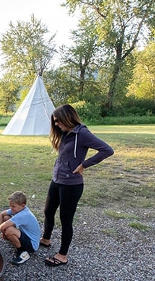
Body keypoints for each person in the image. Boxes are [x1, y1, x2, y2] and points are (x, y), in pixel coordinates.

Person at [42, 104, 114, 267]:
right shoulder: (65, 133)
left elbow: (107, 150)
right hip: (57, 180)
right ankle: (46, 239)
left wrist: (84, 165)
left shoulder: (82, 133)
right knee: (48, 211)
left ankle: (62, 255)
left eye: (58, 121)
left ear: (67, 118)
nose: (57, 124)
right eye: (55, 122)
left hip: (71, 185)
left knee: (65, 219)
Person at [0, 191, 41, 265]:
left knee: (9, 230)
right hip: (26, 235)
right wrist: (3, 232)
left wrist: (4, 233)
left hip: (32, 245)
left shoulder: (24, 214)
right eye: (10, 205)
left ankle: (22, 252)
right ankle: (14, 239)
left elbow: (2, 227)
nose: (11, 208)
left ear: (23, 205)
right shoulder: (20, 208)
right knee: (6, 217)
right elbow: (1, 215)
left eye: (13, 206)